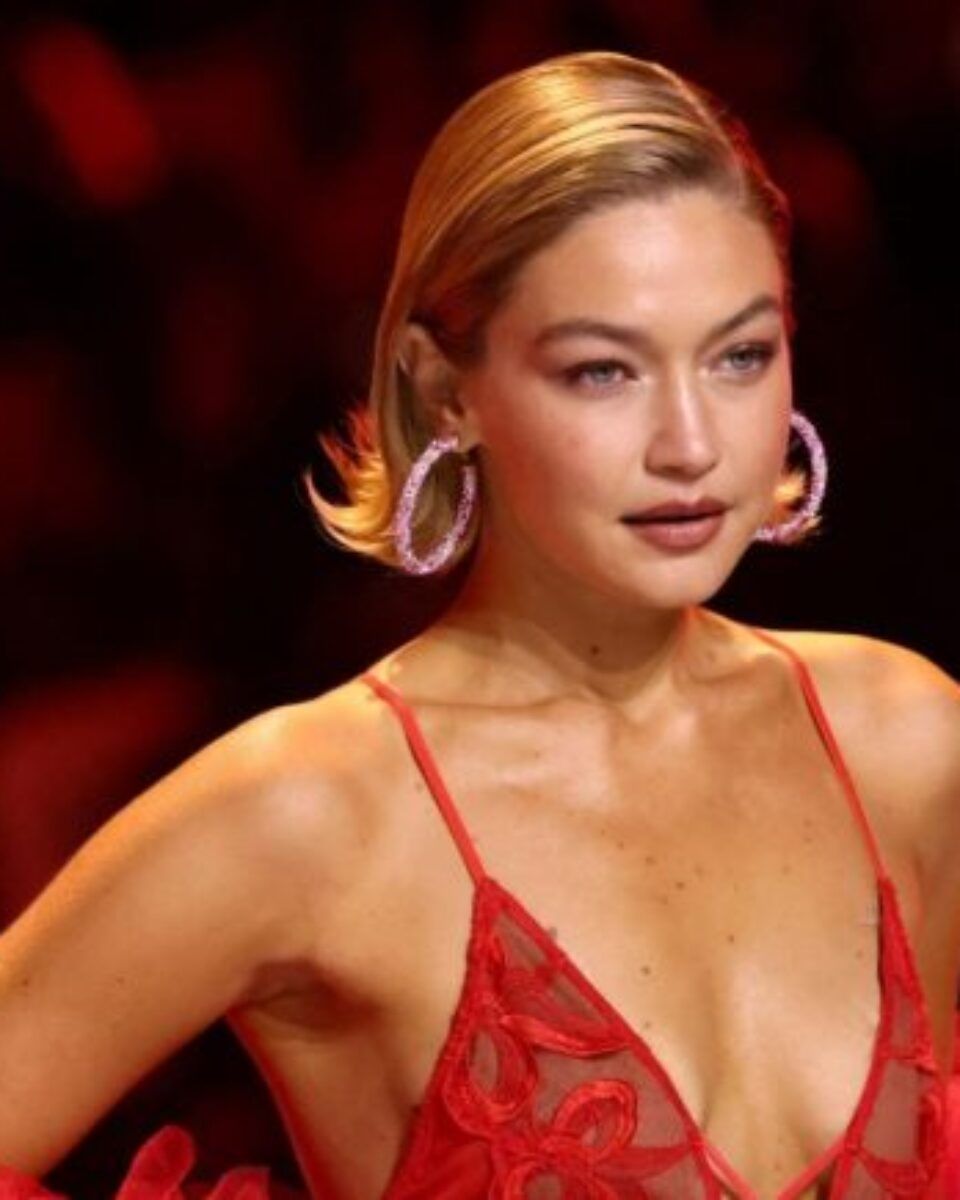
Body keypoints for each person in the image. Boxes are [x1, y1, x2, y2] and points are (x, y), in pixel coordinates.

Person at [1, 49, 958, 1200]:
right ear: (442, 387)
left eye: (740, 356)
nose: (692, 443)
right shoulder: (313, 815)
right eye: (603, 371)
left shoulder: (907, 743)